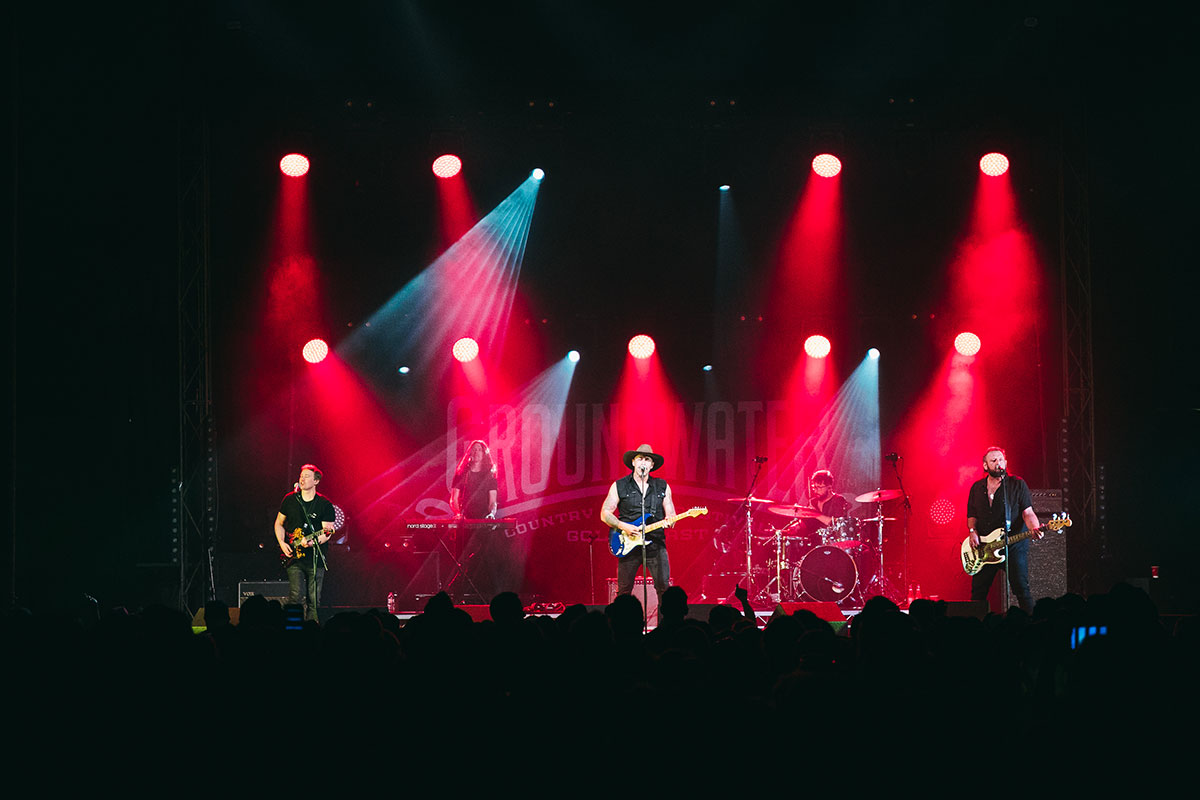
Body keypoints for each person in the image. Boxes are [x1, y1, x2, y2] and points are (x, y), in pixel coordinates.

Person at [600, 443, 677, 613]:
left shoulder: (662, 486)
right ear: (633, 462)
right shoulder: (619, 485)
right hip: (628, 543)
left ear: (652, 465)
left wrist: (671, 518)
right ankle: (621, 631)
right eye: (640, 458)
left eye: (647, 459)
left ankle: (667, 629)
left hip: (656, 544)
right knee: (624, 590)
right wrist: (623, 526)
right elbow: (605, 513)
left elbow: (670, 510)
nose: (643, 462)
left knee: (664, 588)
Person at [966, 446, 1043, 613]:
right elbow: (972, 515)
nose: (998, 463)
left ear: (1006, 462)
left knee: (1021, 589)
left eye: (1000, 460)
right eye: (993, 460)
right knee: (978, 593)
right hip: (985, 547)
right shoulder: (977, 488)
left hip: (1013, 545)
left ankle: (1032, 624)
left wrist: (1034, 527)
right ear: (985, 466)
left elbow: (1027, 512)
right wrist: (973, 531)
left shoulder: (1017, 484)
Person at [274, 464, 336, 622]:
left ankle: (312, 633)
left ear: (316, 481)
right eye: (301, 476)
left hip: (315, 557)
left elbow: (327, 532)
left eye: (307, 476)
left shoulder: (324, 504)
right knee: (295, 597)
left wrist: (311, 543)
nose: (302, 479)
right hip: (293, 557)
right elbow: (279, 523)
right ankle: (292, 631)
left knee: (313, 600)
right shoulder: (289, 499)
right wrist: (282, 542)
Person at [450, 439, 498, 519]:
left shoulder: (490, 476)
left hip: (483, 519)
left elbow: (492, 502)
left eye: (479, 450)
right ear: (470, 453)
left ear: (484, 454)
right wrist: (458, 514)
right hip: (464, 519)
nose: (476, 452)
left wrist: (492, 514)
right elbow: (454, 499)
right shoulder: (461, 474)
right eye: (474, 449)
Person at [798, 469, 851, 539]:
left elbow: (837, 524)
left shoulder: (838, 500)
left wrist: (815, 514)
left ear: (829, 487)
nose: (816, 490)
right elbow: (805, 524)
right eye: (814, 487)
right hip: (813, 542)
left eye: (819, 487)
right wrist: (796, 526)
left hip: (832, 542)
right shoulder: (813, 502)